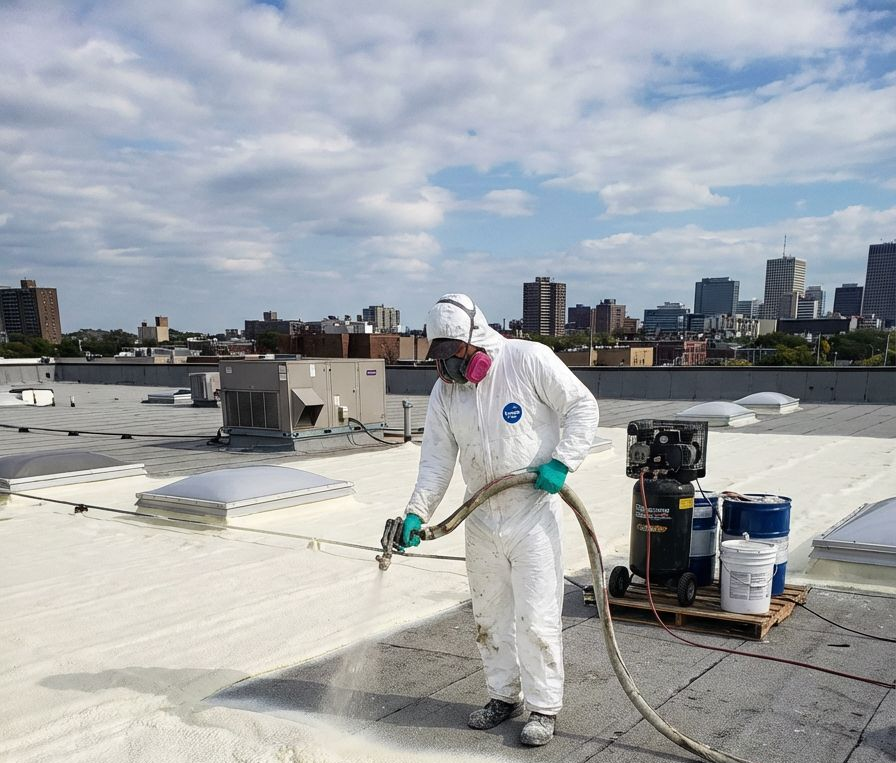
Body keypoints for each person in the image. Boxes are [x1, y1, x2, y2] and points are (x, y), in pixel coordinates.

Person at [399, 293, 599, 747]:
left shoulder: (528, 360)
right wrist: (417, 512)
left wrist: (563, 462)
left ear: (477, 339)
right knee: (489, 614)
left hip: (531, 512)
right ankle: (502, 696)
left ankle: (544, 708)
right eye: (442, 358)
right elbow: (435, 460)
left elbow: (582, 408)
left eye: (457, 356)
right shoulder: (445, 391)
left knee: (537, 615)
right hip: (481, 516)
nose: (451, 369)